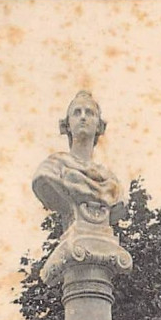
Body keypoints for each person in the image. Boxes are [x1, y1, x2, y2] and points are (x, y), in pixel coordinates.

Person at [32, 90, 126, 229]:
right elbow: (42, 179)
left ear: (99, 126)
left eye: (89, 113)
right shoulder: (53, 167)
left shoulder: (112, 182)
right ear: (67, 125)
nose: (83, 117)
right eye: (77, 112)